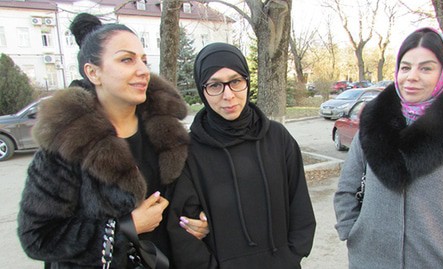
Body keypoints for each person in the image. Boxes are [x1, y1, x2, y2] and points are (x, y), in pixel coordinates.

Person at [17, 13, 207, 268]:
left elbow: (184, 201)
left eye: (143, 60)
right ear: (93, 72)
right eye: (126, 59)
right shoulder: (68, 145)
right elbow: (37, 237)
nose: (142, 70)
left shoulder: (168, 133)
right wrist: (124, 228)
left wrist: (199, 221)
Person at [334, 27, 443, 268]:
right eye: (405, 67)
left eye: (426, 68)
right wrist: (352, 230)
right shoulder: (374, 122)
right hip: (369, 261)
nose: (411, 76)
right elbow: (347, 187)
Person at [166, 42, 316, 268]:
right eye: (215, 85)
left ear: (246, 81)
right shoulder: (188, 152)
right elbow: (183, 231)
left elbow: (300, 204)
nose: (228, 95)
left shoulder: (277, 137)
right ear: (201, 89)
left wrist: (292, 254)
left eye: (235, 81)